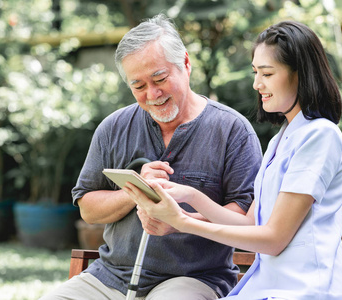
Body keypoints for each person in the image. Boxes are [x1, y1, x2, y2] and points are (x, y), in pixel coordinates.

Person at [124, 20, 342, 300]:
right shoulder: (283, 138)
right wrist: (188, 200)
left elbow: (273, 239)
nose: (257, 84)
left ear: (300, 74)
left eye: (267, 73)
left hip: (305, 290)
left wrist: (184, 223)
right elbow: (249, 223)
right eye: (256, 72)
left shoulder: (320, 137)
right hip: (272, 286)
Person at [40, 13, 262, 300]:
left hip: (193, 279)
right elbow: (88, 208)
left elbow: (246, 217)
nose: (153, 94)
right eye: (139, 86)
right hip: (110, 276)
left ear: (185, 64)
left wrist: (181, 219)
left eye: (160, 78)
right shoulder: (113, 128)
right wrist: (134, 192)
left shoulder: (232, 131)